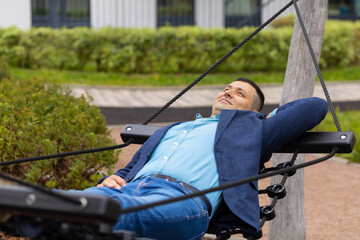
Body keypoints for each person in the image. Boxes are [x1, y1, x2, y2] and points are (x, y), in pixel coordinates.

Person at [83, 78, 328, 240]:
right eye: (226, 89)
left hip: (183, 199)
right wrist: (114, 178)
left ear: (254, 112)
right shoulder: (174, 128)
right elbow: (131, 168)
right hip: (128, 190)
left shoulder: (252, 131)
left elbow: (314, 106)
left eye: (239, 93)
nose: (228, 93)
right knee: (64, 205)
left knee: (105, 215)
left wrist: (265, 119)